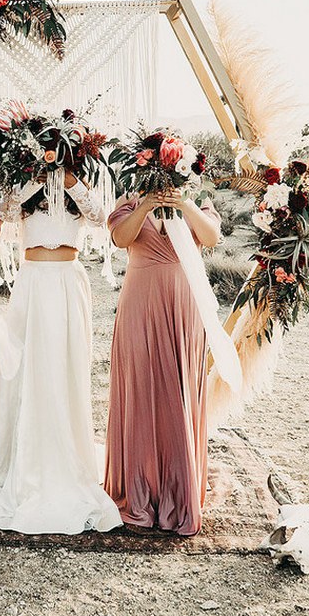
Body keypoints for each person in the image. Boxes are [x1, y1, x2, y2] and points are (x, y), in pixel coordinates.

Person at [0, 170, 122, 535]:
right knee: (26, 369)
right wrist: (35, 177)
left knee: (65, 370)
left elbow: (99, 216)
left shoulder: (77, 190)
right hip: (33, 282)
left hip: (68, 281)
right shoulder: (26, 188)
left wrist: (71, 181)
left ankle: (65, 457)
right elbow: (5, 212)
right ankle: (21, 463)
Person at [104, 187, 221, 536]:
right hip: (140, 300)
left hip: (184, 302)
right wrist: (148, 205)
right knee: (140, 387)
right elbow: (120, 238)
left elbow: (211, 237)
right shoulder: (129, 200)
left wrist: (181, 202)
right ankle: (139, 489)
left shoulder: (195, 197)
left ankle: (177, 488)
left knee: (179, 389)